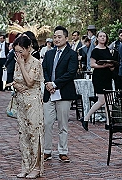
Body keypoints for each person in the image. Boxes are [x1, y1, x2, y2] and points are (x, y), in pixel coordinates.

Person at [41, 25, 78, 163]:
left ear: (66, 38)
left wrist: (55, 84)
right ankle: (47, 151)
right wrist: (47, 83)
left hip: (64, 93)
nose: (56, 39)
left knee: (63, 124)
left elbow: (70, 73)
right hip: (49, 93)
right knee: (47, 123)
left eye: (59, 37)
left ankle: (63, 151)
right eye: (55, 36)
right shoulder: (49, 53)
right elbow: (44, 69)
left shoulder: (72, 54)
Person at [12, 34, 44, 178]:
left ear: (29, 48)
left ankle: (36, 167)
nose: (18, 54)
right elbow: (15, 80)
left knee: (34, 133)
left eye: (21, 51)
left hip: (33, 102)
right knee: (23, 134)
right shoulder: (16, 62)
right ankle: (25, 165)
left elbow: (30, 81)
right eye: (16, 51)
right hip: (21, 102)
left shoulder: (35, 63)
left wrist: (22, 66)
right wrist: (17, 86)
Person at [81, 31, 116, 131]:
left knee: (109, 101)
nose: (102, 38)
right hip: (99, 77)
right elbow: (92, 64)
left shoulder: (108, 50)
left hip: (108, 76)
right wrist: (103, 66)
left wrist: (111, 66)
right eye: (100, 36)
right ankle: (86, 118)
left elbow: (111, 63)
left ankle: (109, 123)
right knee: (101, 100)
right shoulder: (95, 51)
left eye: (104, 36)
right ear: (97, 38)